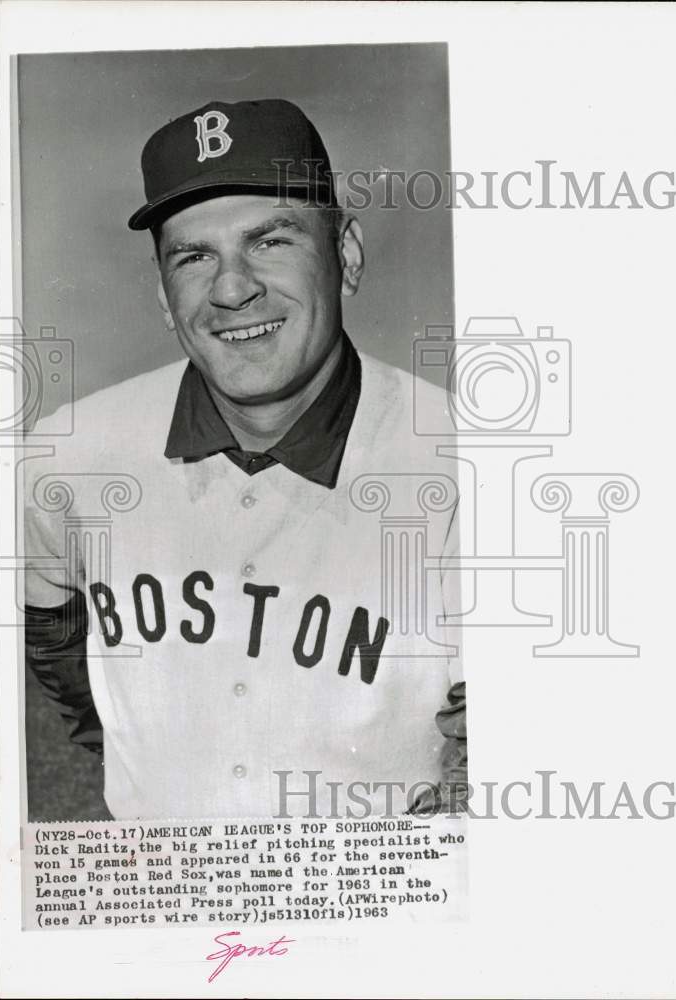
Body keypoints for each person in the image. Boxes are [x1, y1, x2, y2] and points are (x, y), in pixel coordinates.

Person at [23, 98, 466, 821]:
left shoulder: (460, 458)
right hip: (156, 878)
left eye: (271, 241)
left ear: (347, 256)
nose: (232, 289)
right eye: (195, 256)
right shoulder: (68, 454)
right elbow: (51, 629)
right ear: (164, 295)